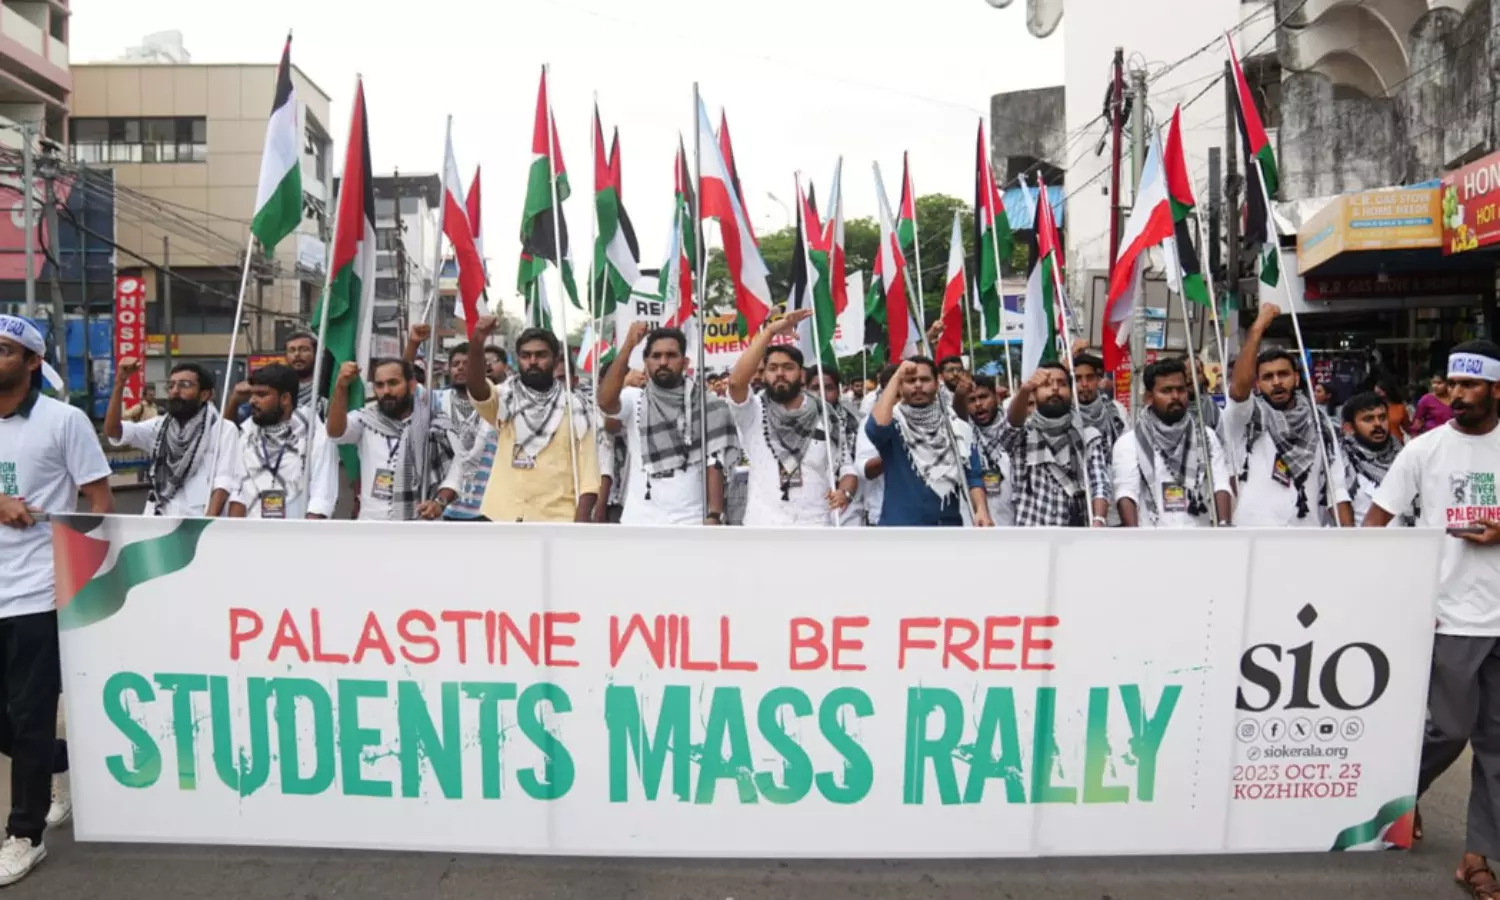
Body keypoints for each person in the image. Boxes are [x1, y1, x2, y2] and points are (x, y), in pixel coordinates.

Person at [1365, 341, 1500, 899]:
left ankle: (1477, 858)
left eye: (1470, 385)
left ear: (1496, 390)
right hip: (1449, 616)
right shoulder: (1424, 450)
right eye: (1452, 384)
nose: (1456, 394)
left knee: (1496, 744)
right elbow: (1375, 523)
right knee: (1450, 729)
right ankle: (1396, 790)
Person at [0, 314, 112, 885]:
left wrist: (80, 576)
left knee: (31, 714)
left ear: (32, 361)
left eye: (3, 348)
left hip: (36, 591)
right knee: (21, 728)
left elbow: (97, 499)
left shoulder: (64, 421)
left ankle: (25, 834)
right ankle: (59, 761)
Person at [1224, 303, 1354, 527]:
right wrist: (1257, 329)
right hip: (1254, 535)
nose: (1276, 382)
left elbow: (1336, 487)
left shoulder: (1320, 423)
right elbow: (1238, 389)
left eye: (1283, 374)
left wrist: (1351, 539)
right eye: (1268, 377)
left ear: (1296, 378)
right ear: (1258, 384)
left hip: (1305, 535)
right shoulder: (1247, 417)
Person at [727, 311, 858, 527]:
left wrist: (845, 492)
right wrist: (770, 332)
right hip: (763, 527)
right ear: (764, 374)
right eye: (772, 368)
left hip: (815, 527)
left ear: (802, 375)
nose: (780, 373)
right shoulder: (753, 411)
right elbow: (735, 383)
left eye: (788, 367)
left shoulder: (826, 415)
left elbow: (846, 468)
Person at [598, 323, 737, 526]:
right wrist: (628, 345)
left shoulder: (708, 406)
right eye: (656, 356)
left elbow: (714, 463)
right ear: (646, 362)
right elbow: (605, 402)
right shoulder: (634, 399)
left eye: (671, 355)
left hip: (690, 521)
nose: (663, 362)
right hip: (639, 520)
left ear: (685, 362)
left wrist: (715, 515)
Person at [464, 317, 597, 523]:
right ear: (518, 359)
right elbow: (477, 390)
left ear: (555, 359)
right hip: (503, 516)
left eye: (541, 355)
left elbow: (589, 475)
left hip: (557, 520)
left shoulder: (577, 409)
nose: (532, 361)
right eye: (525, 356)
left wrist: (580, 525)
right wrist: (477, 342)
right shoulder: (505, 399)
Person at [866, 357, 992, 527]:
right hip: (900, 530)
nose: (918, 385)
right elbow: (876, 429)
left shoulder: (956, 427)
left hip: (947, 528)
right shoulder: (895, 425)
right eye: (911, 381)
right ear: (900, 387)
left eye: (925, 379)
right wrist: (897, 376)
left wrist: (982, 510)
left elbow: (973, 476)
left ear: (937, 384)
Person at [327, 358, 458, 522]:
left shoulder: (434, 422)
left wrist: (439, 502)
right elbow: (335, 432)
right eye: (379, 385)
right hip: (372, 524)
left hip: (421, 524)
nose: (386, 391)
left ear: (411, 385)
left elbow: (458, 468)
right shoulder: (366, 419)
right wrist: (341, 387)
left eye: (393, 383)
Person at [104, 358, 237, 517]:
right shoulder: (159, 427)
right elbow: (114, 431)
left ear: (204, 395)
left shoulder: (223, 429)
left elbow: (223, 481)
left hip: (198, 519)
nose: (175, 391)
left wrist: (207, 524)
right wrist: (120, 382)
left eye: (185, 385)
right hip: (160, 517)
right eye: (171, 385)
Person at [1112, 358, 1232, 528]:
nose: (1175, 396)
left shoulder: (1206, 437)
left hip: (1199, 536)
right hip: (1152, 537)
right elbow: (1126, 494)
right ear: (1149, 397)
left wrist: (1224, 526)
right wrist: (1136, 538)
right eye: (1166, 391)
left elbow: (1220, 484)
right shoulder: (1130, 443)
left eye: (1181, 389)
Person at [995, 361, 1113, 528]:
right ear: (1034, 394)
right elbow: (1011, 427)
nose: (1055, 388)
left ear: (1071, 392)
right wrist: (1025, 389)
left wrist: (1099, 520)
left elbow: (1099, 485)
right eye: (1047, 384)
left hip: (1076, 536)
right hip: (1031, 536)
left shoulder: (1088, 437)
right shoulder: (1023, 436)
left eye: (1062, 383)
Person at [224, 363, 338, 520]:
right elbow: (238, 495)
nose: (252, 401)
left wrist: (305, 535)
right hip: (251, 530)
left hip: (296, 530)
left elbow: (322, 497)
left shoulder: (314, 434)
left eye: (261, 395)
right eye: (252, 394)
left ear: (285, 399)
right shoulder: (247, 434)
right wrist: (233, 532)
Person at [1340, 391, 1411, 526]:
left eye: (1382, 417)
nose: (1378, 424)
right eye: (1368, 419)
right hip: (1362, 538)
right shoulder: (1342, 461)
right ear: (1349, 427)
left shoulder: (1405, 456)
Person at [812, 364, 865, 525]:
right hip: (811, 507)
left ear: (838, 391)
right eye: (815, 388)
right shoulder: (794, 424)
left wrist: (845, 493)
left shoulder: (854, 423)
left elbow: (849, 466)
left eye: (828, 388)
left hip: (849, 506)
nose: (821, 394)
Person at [967, 378, 1017, 527]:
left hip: (1017, 527)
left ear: (996, 397)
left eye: (983, 397)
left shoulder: (1016, 431)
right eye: (971, 400)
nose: (978, 404)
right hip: (979, 526)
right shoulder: (964, 437)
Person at [856, 363, 901, 525]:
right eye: (895, 394)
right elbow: (864, 470)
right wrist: (896, 450)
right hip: (882, 513)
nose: (900, 399)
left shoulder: (933, 421)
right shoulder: (870, 424)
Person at [1374, 376, 1410, 442]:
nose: (1377, 396)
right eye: (1376, 393)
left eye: (1379, 392)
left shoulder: (1400, 408)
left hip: (1397, 443)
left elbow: (1408, 428)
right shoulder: (1373, 408)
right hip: (1378, 443)